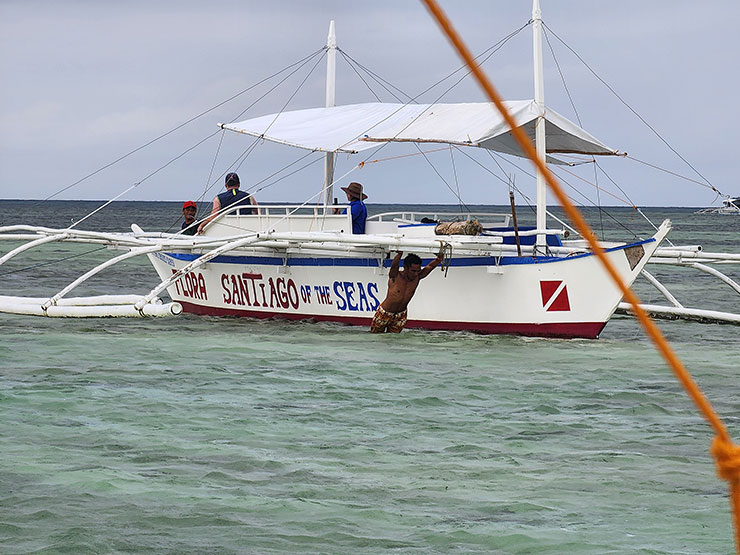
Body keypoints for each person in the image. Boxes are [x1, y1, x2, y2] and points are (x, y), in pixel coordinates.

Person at [370, 250, 443, 333]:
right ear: (405, 267)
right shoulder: (395, 276)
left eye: (418, 271)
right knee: (375, 336)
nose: (416, 274)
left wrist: (439, 258)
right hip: (385, 313)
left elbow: (430, 266)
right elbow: (394, 266)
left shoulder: (417, 277)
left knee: (394, 340)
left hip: (401, 315)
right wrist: (399, 254)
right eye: (413, 271)